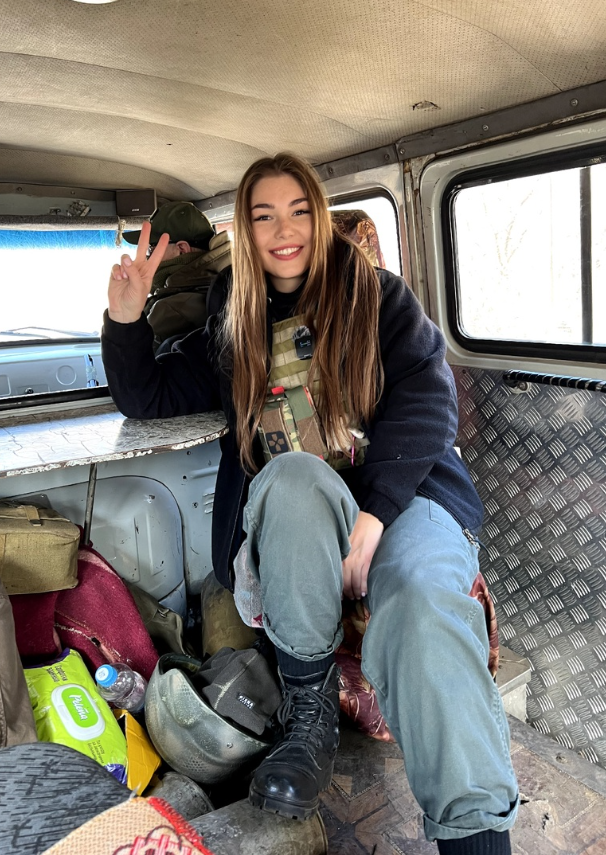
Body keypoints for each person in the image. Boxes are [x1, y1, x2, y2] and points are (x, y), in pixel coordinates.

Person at [102, 153, 519, 855]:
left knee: (422, 599)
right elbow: (149, 396)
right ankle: (309, 720)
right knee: (293, 476)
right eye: (264, 216)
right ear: (246, 230)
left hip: (404, 497)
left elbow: (429, 397)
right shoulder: (233, 316)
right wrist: (125, 318)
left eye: (298, 211)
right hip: (303, 511)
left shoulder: (378, 296)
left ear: (320, 219)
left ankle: (475, 833)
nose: (284, 230)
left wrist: (374, 516)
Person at [123, 200, 232, 350]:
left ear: (181, 249)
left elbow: (129, 360)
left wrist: (124, 312)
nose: (147, 257)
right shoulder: (228, 283)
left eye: (151, 249)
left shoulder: (169, 309)